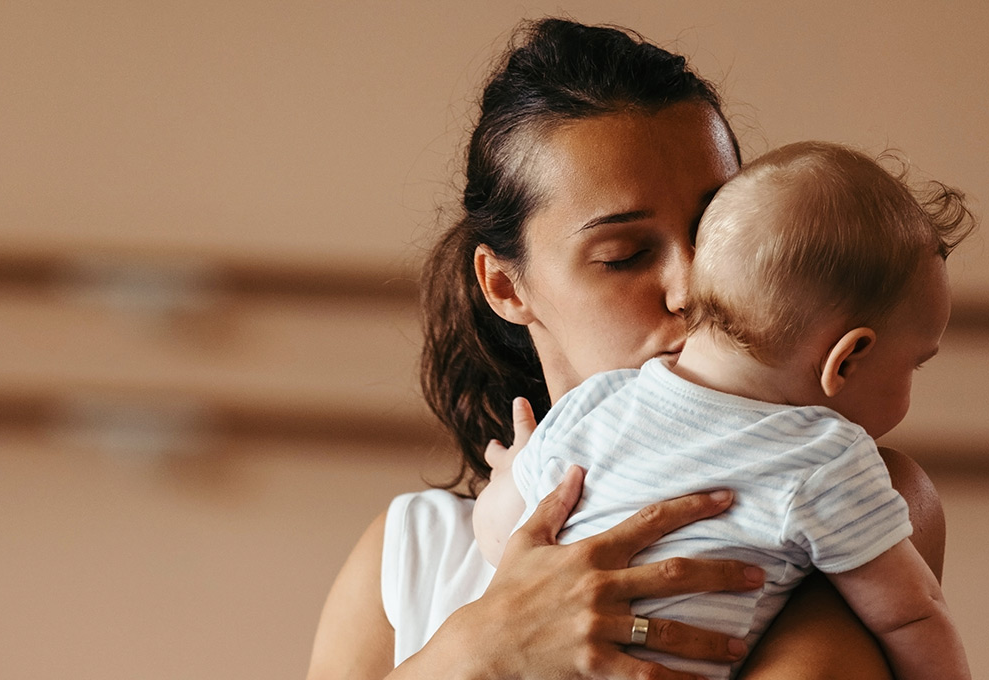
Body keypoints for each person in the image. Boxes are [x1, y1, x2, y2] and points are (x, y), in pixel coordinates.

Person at [306, 18, 950, 680]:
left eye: (711, 236)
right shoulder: (410, 552)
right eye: (626, 255)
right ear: (505, 285)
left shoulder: (840, 487)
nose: (689, 286)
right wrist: (477, 649)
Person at [472, 141, 973, 680]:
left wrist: (516, 474)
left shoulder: (594, 405)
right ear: (845, 359)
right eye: (914, 366)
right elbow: (910, 616)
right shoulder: (827, 461)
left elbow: (504, 538)